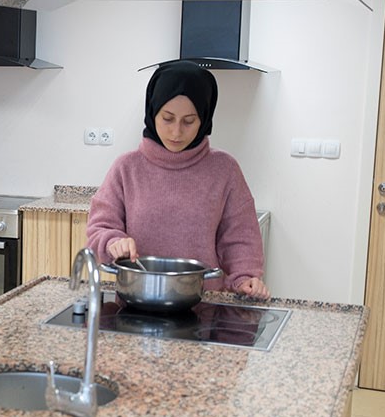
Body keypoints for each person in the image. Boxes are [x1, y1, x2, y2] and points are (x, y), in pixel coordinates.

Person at [86, 61, 270, 299]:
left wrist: (246, 279)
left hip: (204, 304)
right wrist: (113, 242)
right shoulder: (126, 168)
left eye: (189, 121)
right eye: (167, 118)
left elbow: (240, 237)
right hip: (136, 300)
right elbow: (99, 229)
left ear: (204, 118)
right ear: (152, 112)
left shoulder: (225, 170)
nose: (176, 132)